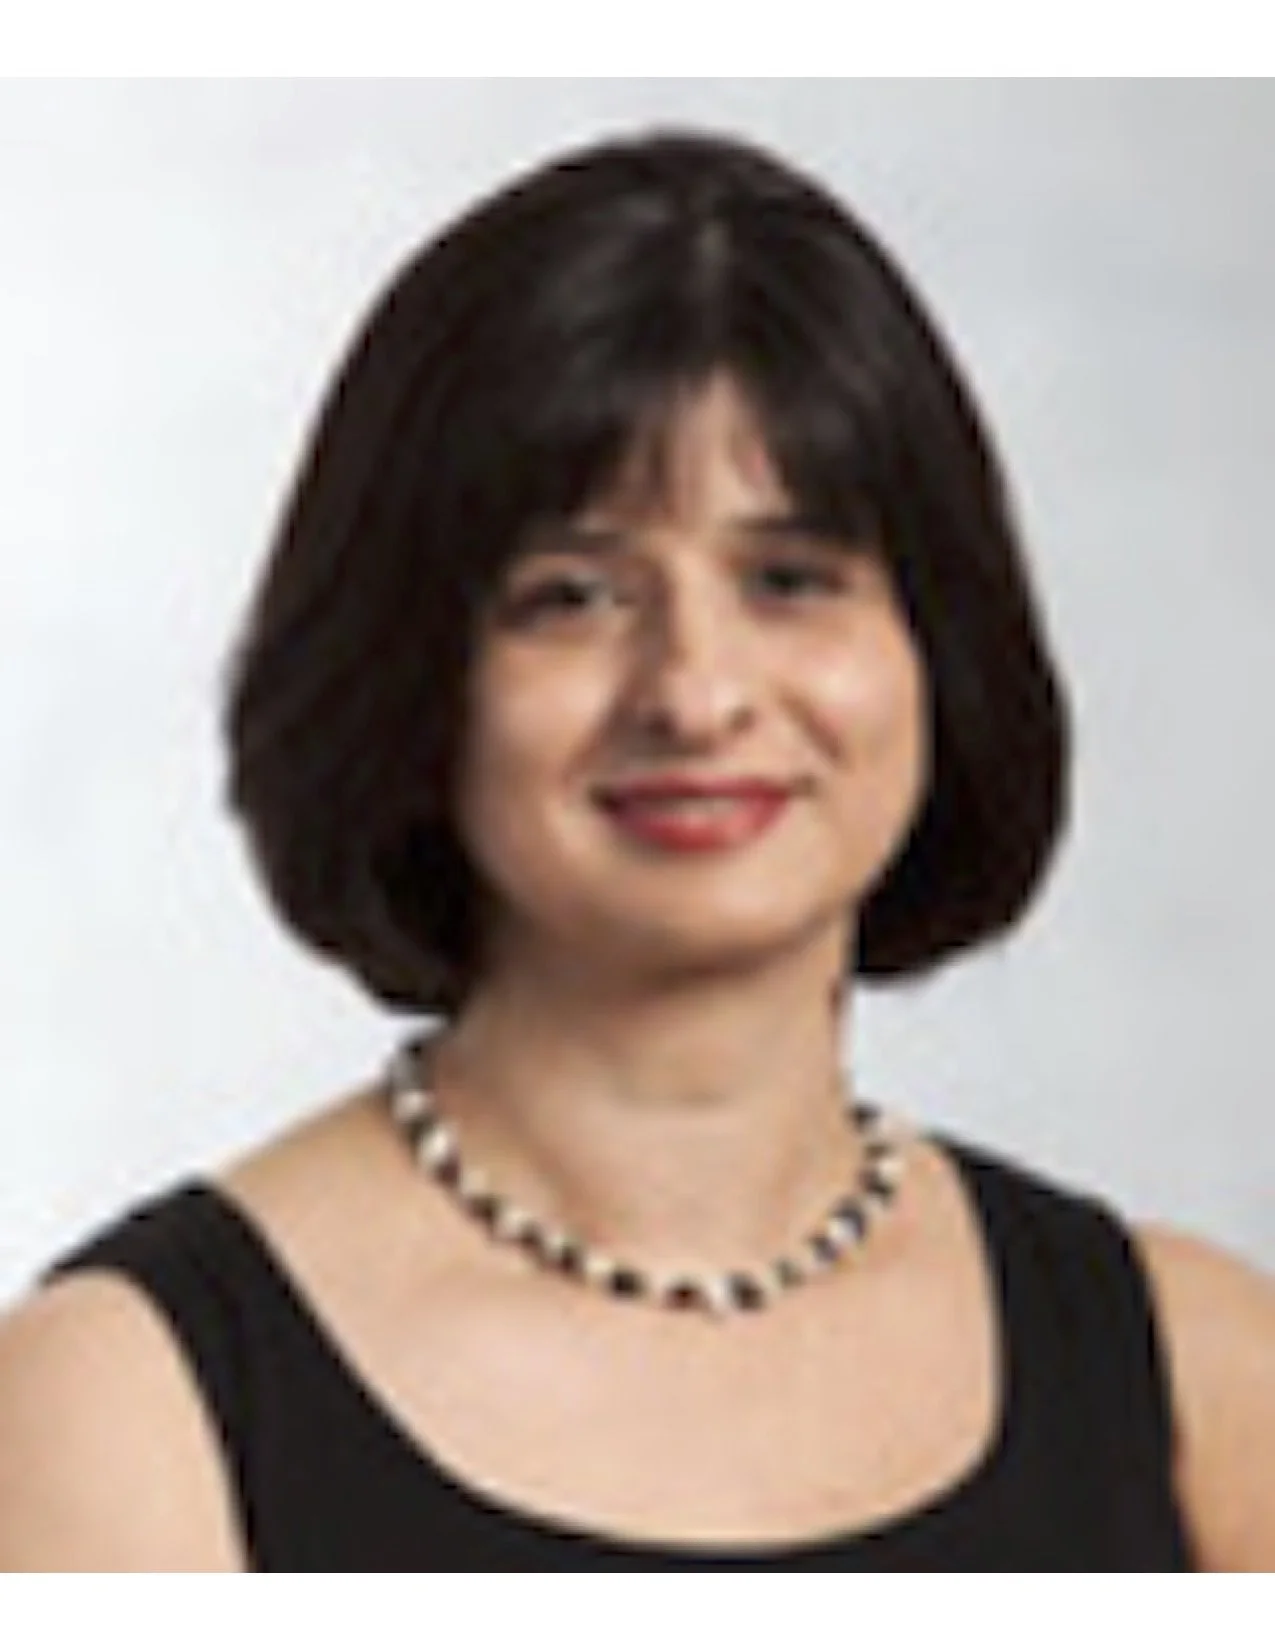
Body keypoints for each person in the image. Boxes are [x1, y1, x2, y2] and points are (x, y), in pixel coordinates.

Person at [1, 129, 1272, 1573]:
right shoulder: (121, 1403)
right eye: (571, 595)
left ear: (937, 650)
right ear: (408, 674)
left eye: (790, 580)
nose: (695, 689)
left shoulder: (1206, 1379)